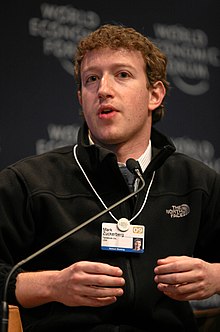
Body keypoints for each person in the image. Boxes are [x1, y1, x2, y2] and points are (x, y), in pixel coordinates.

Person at [0, 23, 220, 332]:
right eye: (91, 79)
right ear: (81, 97)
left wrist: (215, 277)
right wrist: (54, 285)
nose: (103, 89)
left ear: (154, 94)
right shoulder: (29, 181)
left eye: (122, 75)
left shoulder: (197, 182)